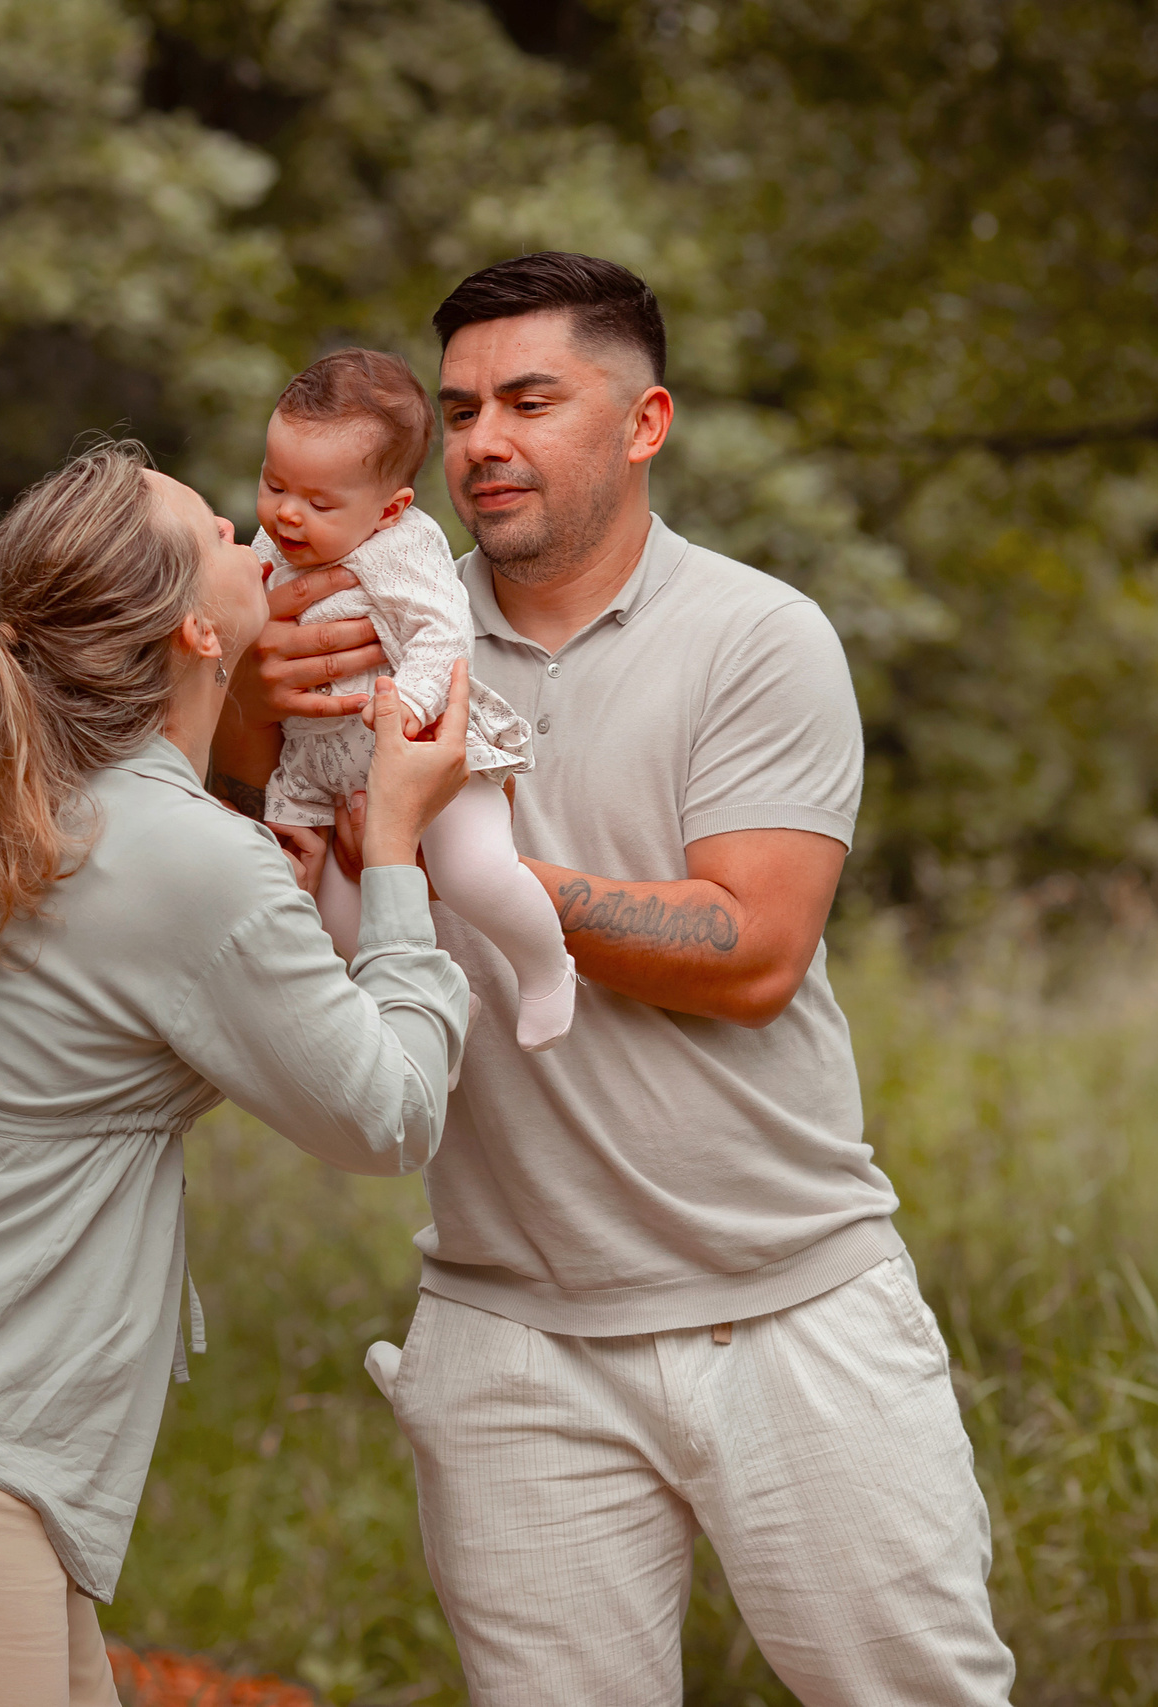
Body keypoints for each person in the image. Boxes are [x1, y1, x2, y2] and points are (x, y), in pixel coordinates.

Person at [214, 255, 1018, 1705]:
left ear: (645, 422)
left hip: (787, 1309)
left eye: (531, 401)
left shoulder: (756, 634)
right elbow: (257, 887)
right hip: (507, 1329)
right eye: (462, 409)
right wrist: (244, 730)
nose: (484, 441)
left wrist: (462, 872)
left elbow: (754, 953)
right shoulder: (362, 618)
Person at [0, 440, 477, 1707]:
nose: (247, 528)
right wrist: (392, 853)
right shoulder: (180, 858)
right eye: (214, 530)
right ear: (195, 633)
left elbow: (115, 982)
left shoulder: (1, 798)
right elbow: (389, 1117)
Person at [251, 348, 577, 1050]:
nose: (287, 515)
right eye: (274, 484)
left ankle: (547, 968)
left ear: (390, 508)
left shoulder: (400, 548)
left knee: (474, 872)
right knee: (336, 919)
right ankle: (437, 1010)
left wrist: (412, 702)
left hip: (423, 751)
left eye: (319, 503)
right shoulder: (271, 545)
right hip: (325, 768)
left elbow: (442, 631)